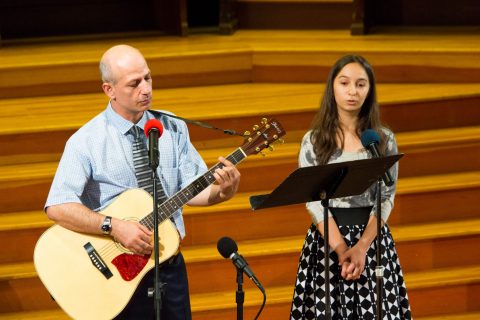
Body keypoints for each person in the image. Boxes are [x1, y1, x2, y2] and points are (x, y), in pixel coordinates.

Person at [45, 44, 241, 319]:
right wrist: (114, 227)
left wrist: (223, 191)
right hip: (115, 274)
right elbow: (57, 206)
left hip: (168, 265)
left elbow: (190, 190)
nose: (146, 89)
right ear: (109, 90)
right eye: (134, 83)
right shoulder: (85, 142)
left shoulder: (172, 126)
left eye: (148, 78)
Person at [290, 55, 412, 319]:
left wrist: (361, 247)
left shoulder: (382, 139)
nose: (352, 91)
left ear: (369, 91)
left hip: (372, 242)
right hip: (327, 243)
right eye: (344, 83)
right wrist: (343, 249)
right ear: (332, 87)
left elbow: (386, 197)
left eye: (360, 84)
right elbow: (313, 201)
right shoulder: (313, 141)